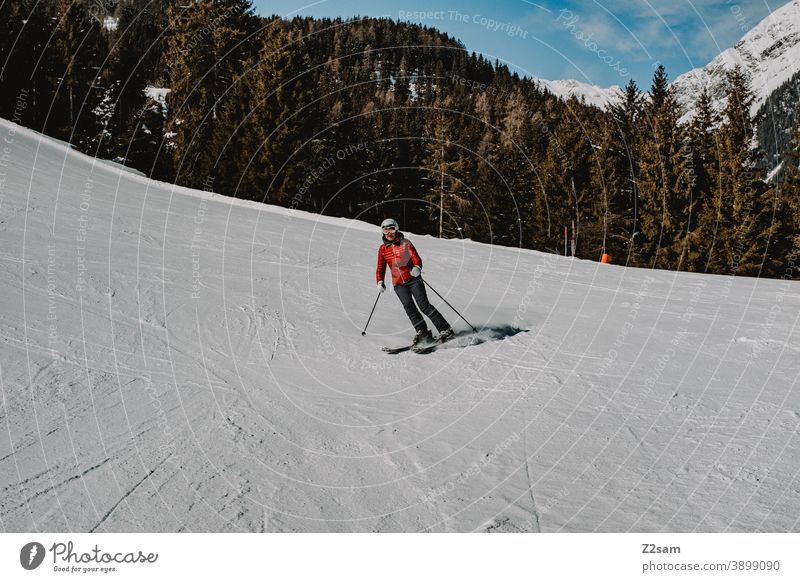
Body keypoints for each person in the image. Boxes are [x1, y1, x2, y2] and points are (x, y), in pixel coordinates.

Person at [375, 218, 454, 346]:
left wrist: (417, 267)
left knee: (424, 305)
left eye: (391, 229)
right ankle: (422, 332)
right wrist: (379, 281)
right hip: (398, 284)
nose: (388, 232)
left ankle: (445, 330)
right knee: (409, 308)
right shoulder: (383, 249)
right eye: (385, 230)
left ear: (396, 229)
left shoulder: (406, 243)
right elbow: (380, 267)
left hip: (413, 280)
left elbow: (416, 258)